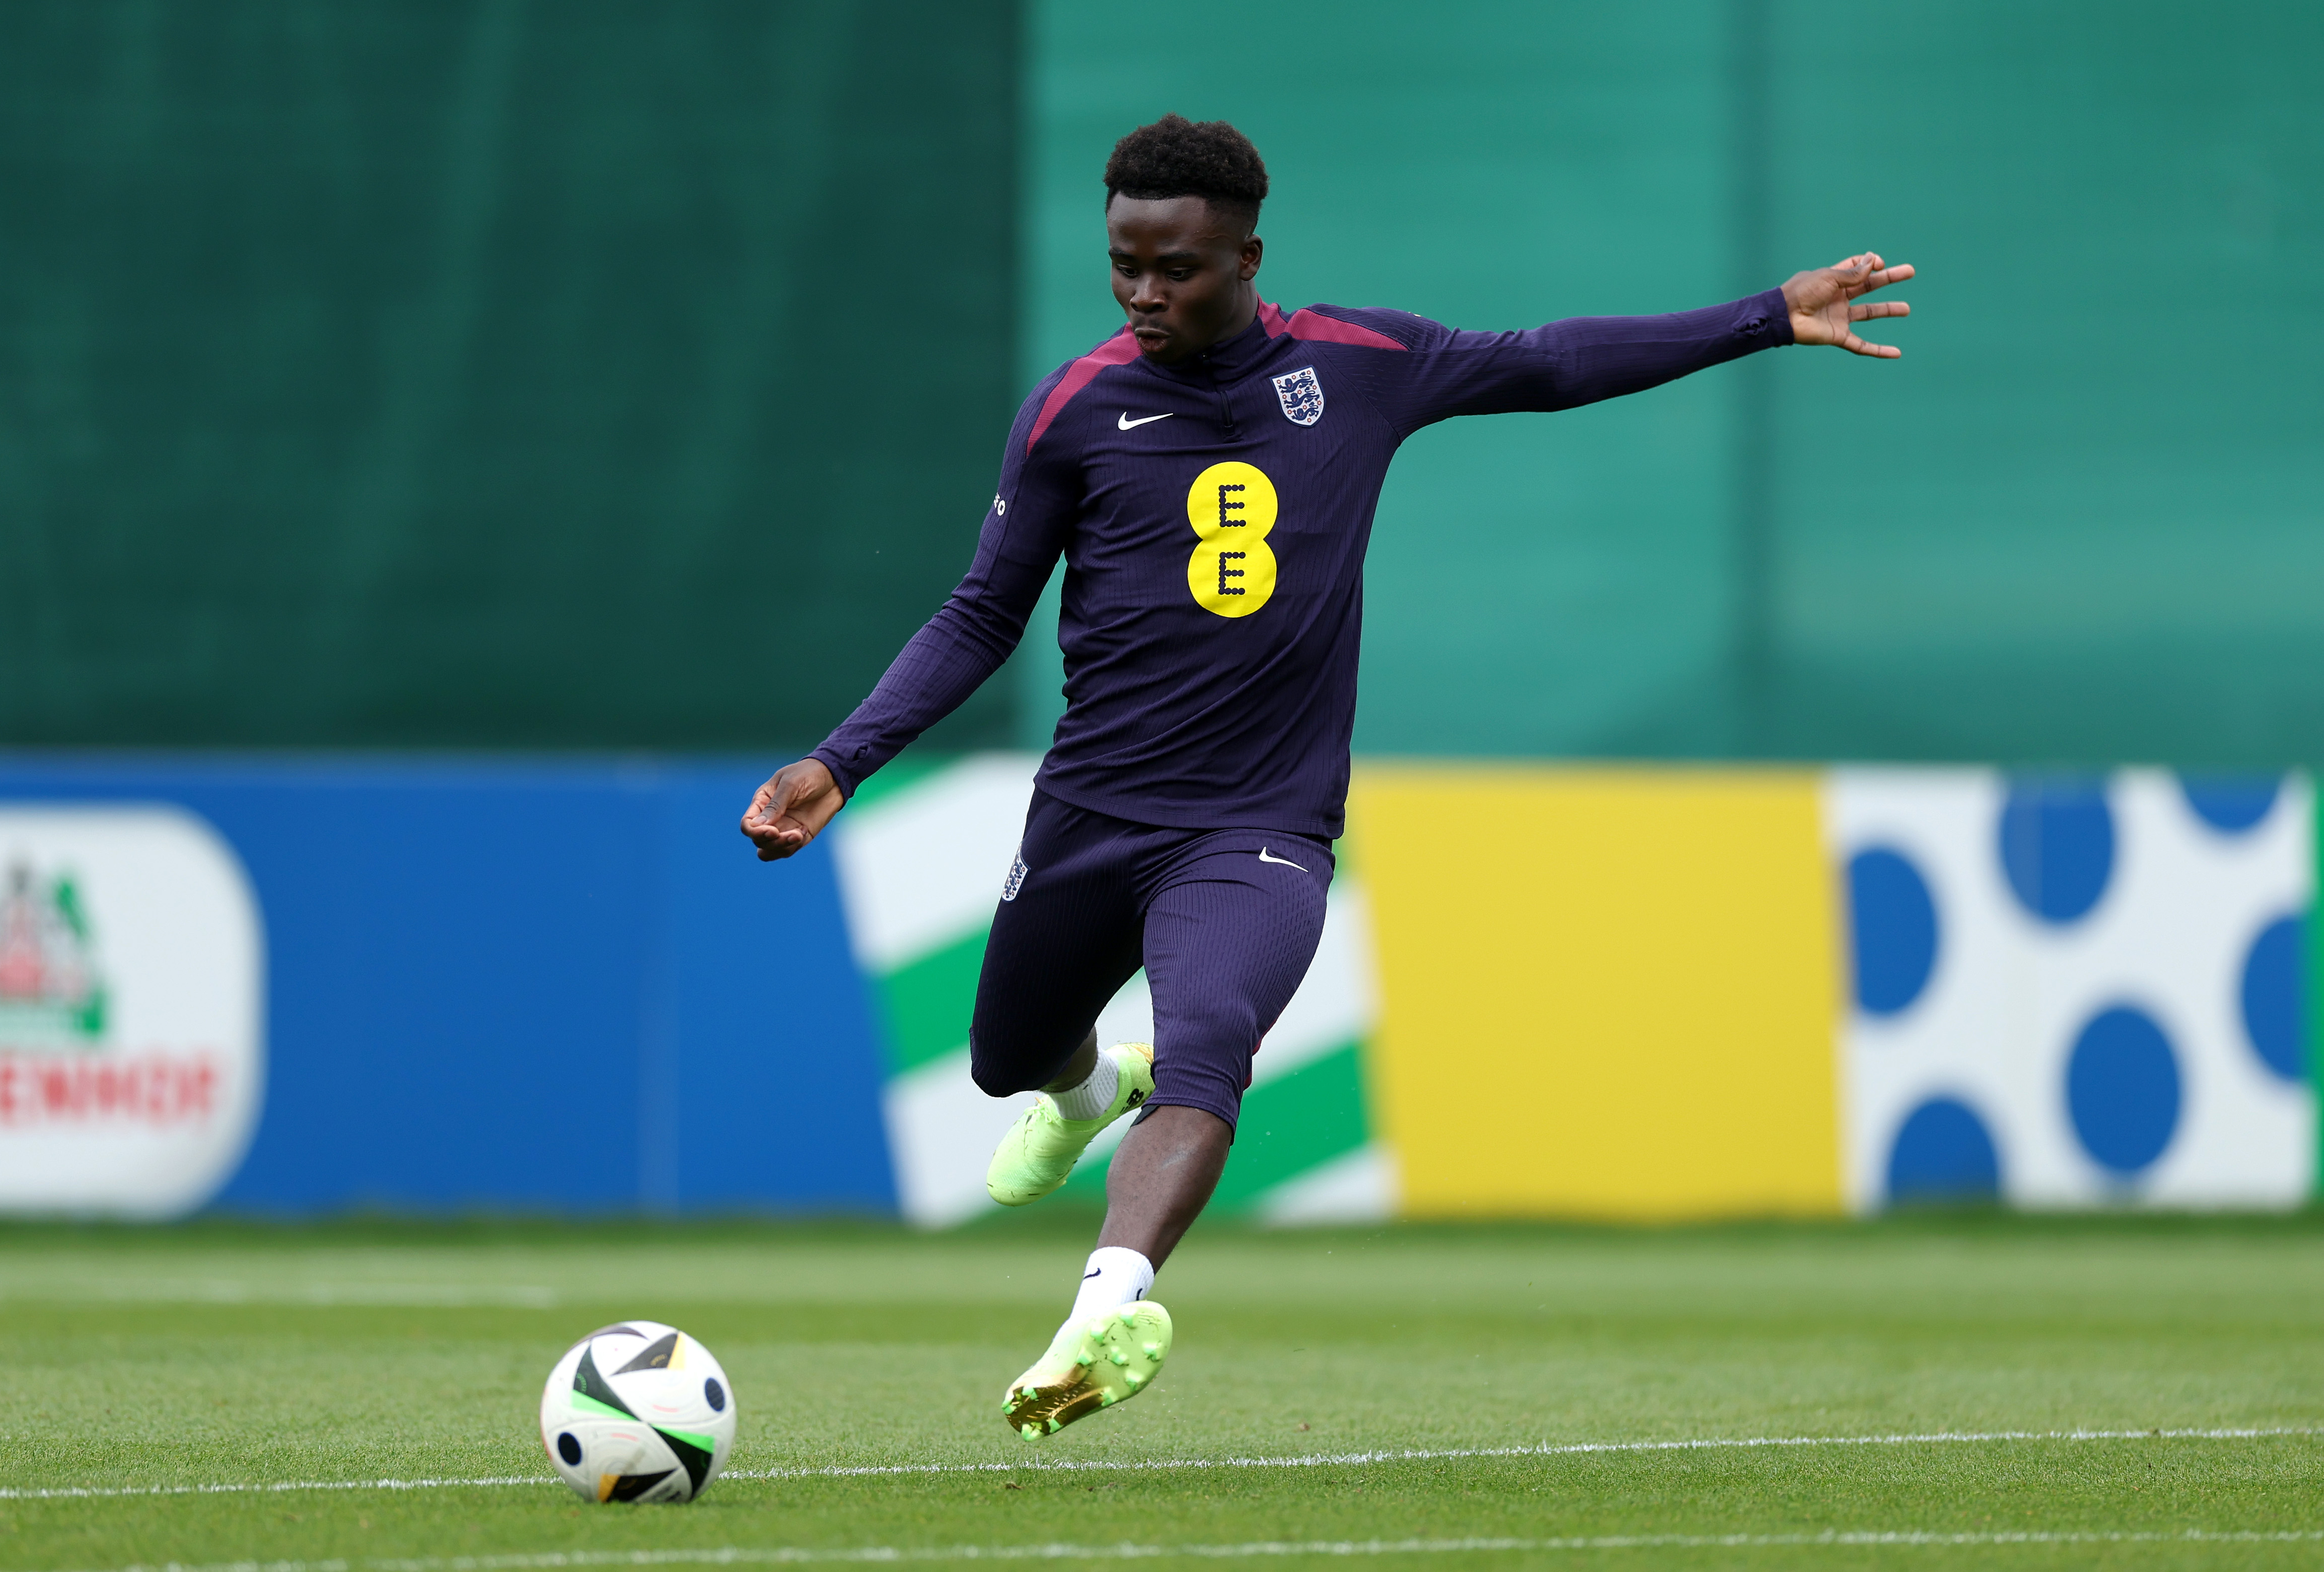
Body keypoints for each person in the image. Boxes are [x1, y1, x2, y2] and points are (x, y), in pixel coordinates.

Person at [741, 114, 1911, 1440]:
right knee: (1004, 1059)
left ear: (1247, 254)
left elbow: (1550, 362)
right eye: (1124, 262)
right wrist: (842, 761)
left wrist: (1768, 315)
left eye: (1174, 267)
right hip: (1090, 813)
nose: (1142, 293)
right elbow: (978, 614)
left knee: (1209, 1053)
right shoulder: (1074, 407)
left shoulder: (1359, 365)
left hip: (1259, 827)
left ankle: (1103, 1312)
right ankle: (1084, 1093)